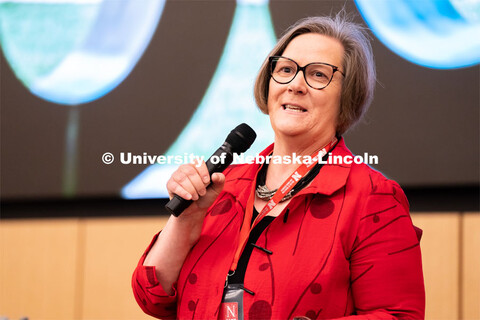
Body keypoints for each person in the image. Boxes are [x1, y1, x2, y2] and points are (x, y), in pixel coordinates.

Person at [132, 13, 425, 320]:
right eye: (285, 69)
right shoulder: (222, 187)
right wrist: (186, 222)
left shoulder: (372, 198)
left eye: (318, 75)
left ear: (347, 95)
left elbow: (398, 315)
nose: (295, 84)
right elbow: (153, 298)